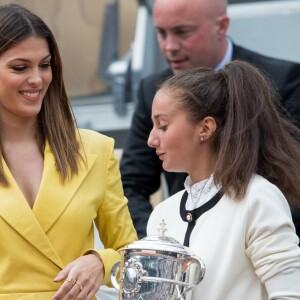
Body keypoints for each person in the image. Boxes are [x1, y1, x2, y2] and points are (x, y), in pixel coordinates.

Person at [120, 0, 300, 239]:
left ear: (222, 26)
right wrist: (160, 247)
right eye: (161, 33)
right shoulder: (151, 91)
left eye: (183, 32)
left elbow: (292, 181)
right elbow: (131, 185)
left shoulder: (282, 82)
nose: (169, 46)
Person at [0, 4, 137, 300]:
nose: (37, 79)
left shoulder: (95, 150)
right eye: (20, 67)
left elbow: (134, 257)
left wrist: (100, 262)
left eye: (45, 65)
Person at [147, 60, 300, 300]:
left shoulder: (258, 198)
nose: (151, 140)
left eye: (163, 126)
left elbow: (290, 295)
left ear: (205, 129)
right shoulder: (161, 214)